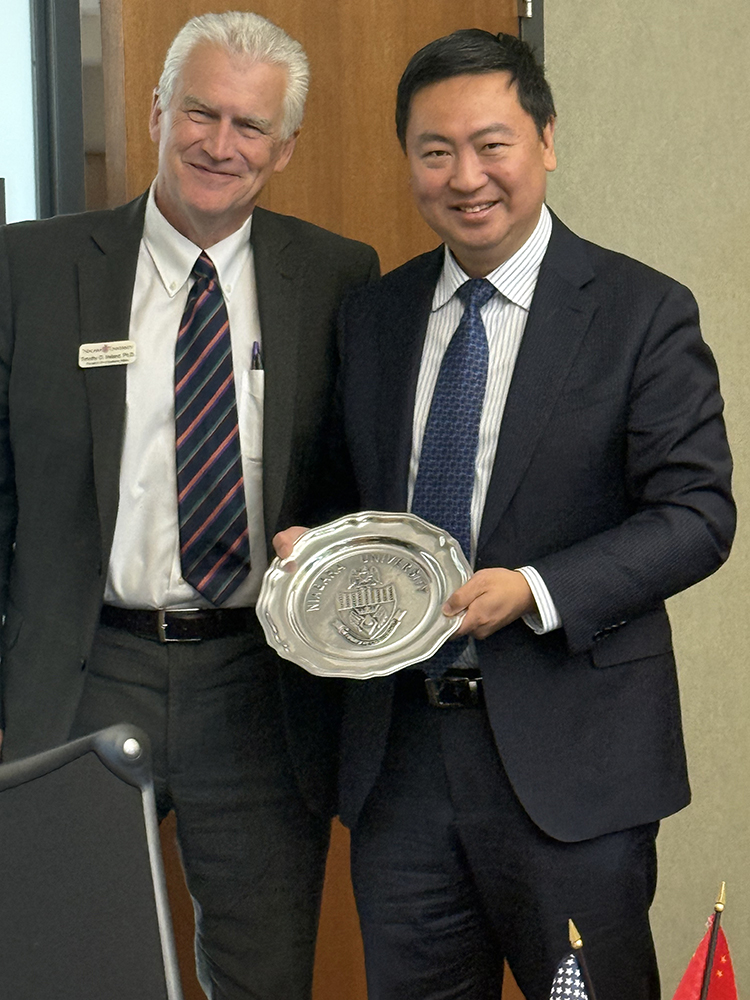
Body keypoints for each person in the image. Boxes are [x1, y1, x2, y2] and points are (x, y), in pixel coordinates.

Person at [278, 28, 735, 1000]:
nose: (466, 176)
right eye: (435, 150)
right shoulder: (374, 316)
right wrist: (315, 546)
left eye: (493, 144)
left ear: (546, 141)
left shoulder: (639, 311)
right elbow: (343, 495)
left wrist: (533, 589)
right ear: (409, 161)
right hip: (398, 764)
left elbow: (698, 511)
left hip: (573, 772)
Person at [0, 11, 377, 1000]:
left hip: (255, 678)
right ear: (159, 112)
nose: (221, 143)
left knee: (260, 974)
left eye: (250, 126)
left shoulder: (337, 277)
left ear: (285, 148)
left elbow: (356, 472)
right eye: (201, 112)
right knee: (69, 966)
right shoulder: (31, 269)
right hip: (85, 668)